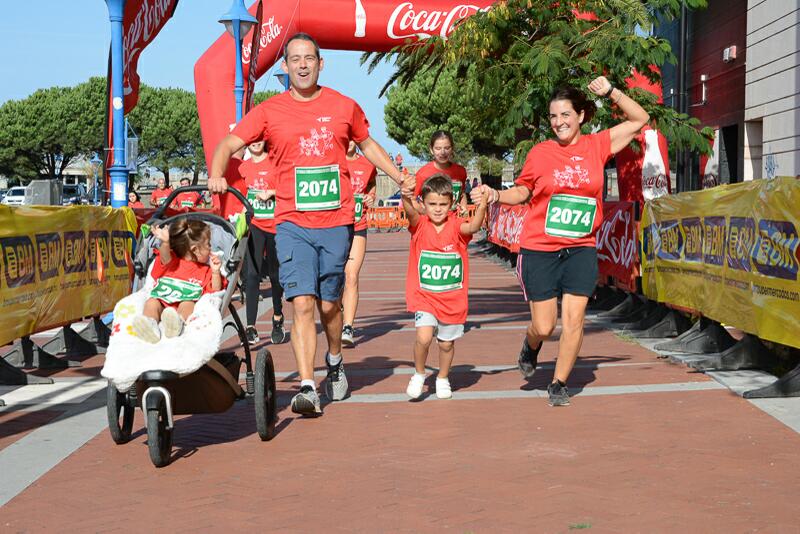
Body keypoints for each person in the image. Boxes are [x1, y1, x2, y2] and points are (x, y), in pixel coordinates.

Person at [207, 33, 404, 416]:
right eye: (294, 59)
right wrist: (217, 173)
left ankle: (334, 360)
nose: (301, 65)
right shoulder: (269, 111)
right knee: (301, 303)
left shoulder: (344, 106)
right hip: (291, 223)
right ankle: (309, 386)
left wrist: (399, 176)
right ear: (284, 66)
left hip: (335, 222)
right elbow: (229, 143)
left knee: (330, 306)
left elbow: (368, 146)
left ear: (320, 63)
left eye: (308, 58)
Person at [471, 76, 650, 406]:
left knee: (574, 320)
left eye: (565, 114)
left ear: (580, 116)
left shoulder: (598, 145)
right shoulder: (541, 153)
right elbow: (524, 191)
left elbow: (640, 119)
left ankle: (559, 383)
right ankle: (531, 344)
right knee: (544, 324)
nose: (559, 122)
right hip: (540, 247)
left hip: (580, 247)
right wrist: (496, 194)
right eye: (553, 117)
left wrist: (611, 92)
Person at [402, 174, 488, 399]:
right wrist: (405, 196)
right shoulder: (420, 225)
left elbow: (475, 226)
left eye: (442, 204)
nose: (437, 209)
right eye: (432, 204)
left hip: (452, 300)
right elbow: (411, 213)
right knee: (423, 337)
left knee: (446, 344)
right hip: (425, 297)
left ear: (451, 204)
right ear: (423, 203)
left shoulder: (457, 226)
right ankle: (419, 374)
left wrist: (482, 206)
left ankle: (442, 377)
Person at [131, 219, 224, 344]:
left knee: (187, 303)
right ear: (195, 249)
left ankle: (177, 324)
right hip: (162, 299)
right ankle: (150, 325)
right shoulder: (172, 262)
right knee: (151, 302)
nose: (211, 248)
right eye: (208, 245)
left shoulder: (206, 270)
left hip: (183, 304)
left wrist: (216, 272)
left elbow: (215, 292)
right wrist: (165, 242)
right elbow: (164, 256)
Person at [239, 139, 287, 345]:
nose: (256, 143)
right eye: (252, 140)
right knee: (252, 274)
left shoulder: (275, 162)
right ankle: (250, 327)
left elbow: (288, 188)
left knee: (276, 276)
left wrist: (271, 193)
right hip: (255, 225)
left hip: (276, 227)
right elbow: (241, 195)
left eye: (259, 140)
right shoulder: (243, 168)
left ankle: (277, 316)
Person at [341, 140, 377, 347]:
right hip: (334, 227)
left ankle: (348, 327)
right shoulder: (333, 162)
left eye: (353, 138)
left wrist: (371, 196)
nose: (349, 142)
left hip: (358, 226)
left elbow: (371, 184)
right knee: (335, 278)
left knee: (351, 276)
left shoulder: (367, 164)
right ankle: (338, 312)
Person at [413, 131, 468, 214]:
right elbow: (412, 200)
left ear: (452, 148)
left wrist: (463, 209)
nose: (443, 152)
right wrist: (427, 213)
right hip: (431, 225)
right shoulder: (422, 174)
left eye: (447, 148)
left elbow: (462, 194)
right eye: (438, 148)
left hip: (454, 223)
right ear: (431, 150)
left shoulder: (460, 171)